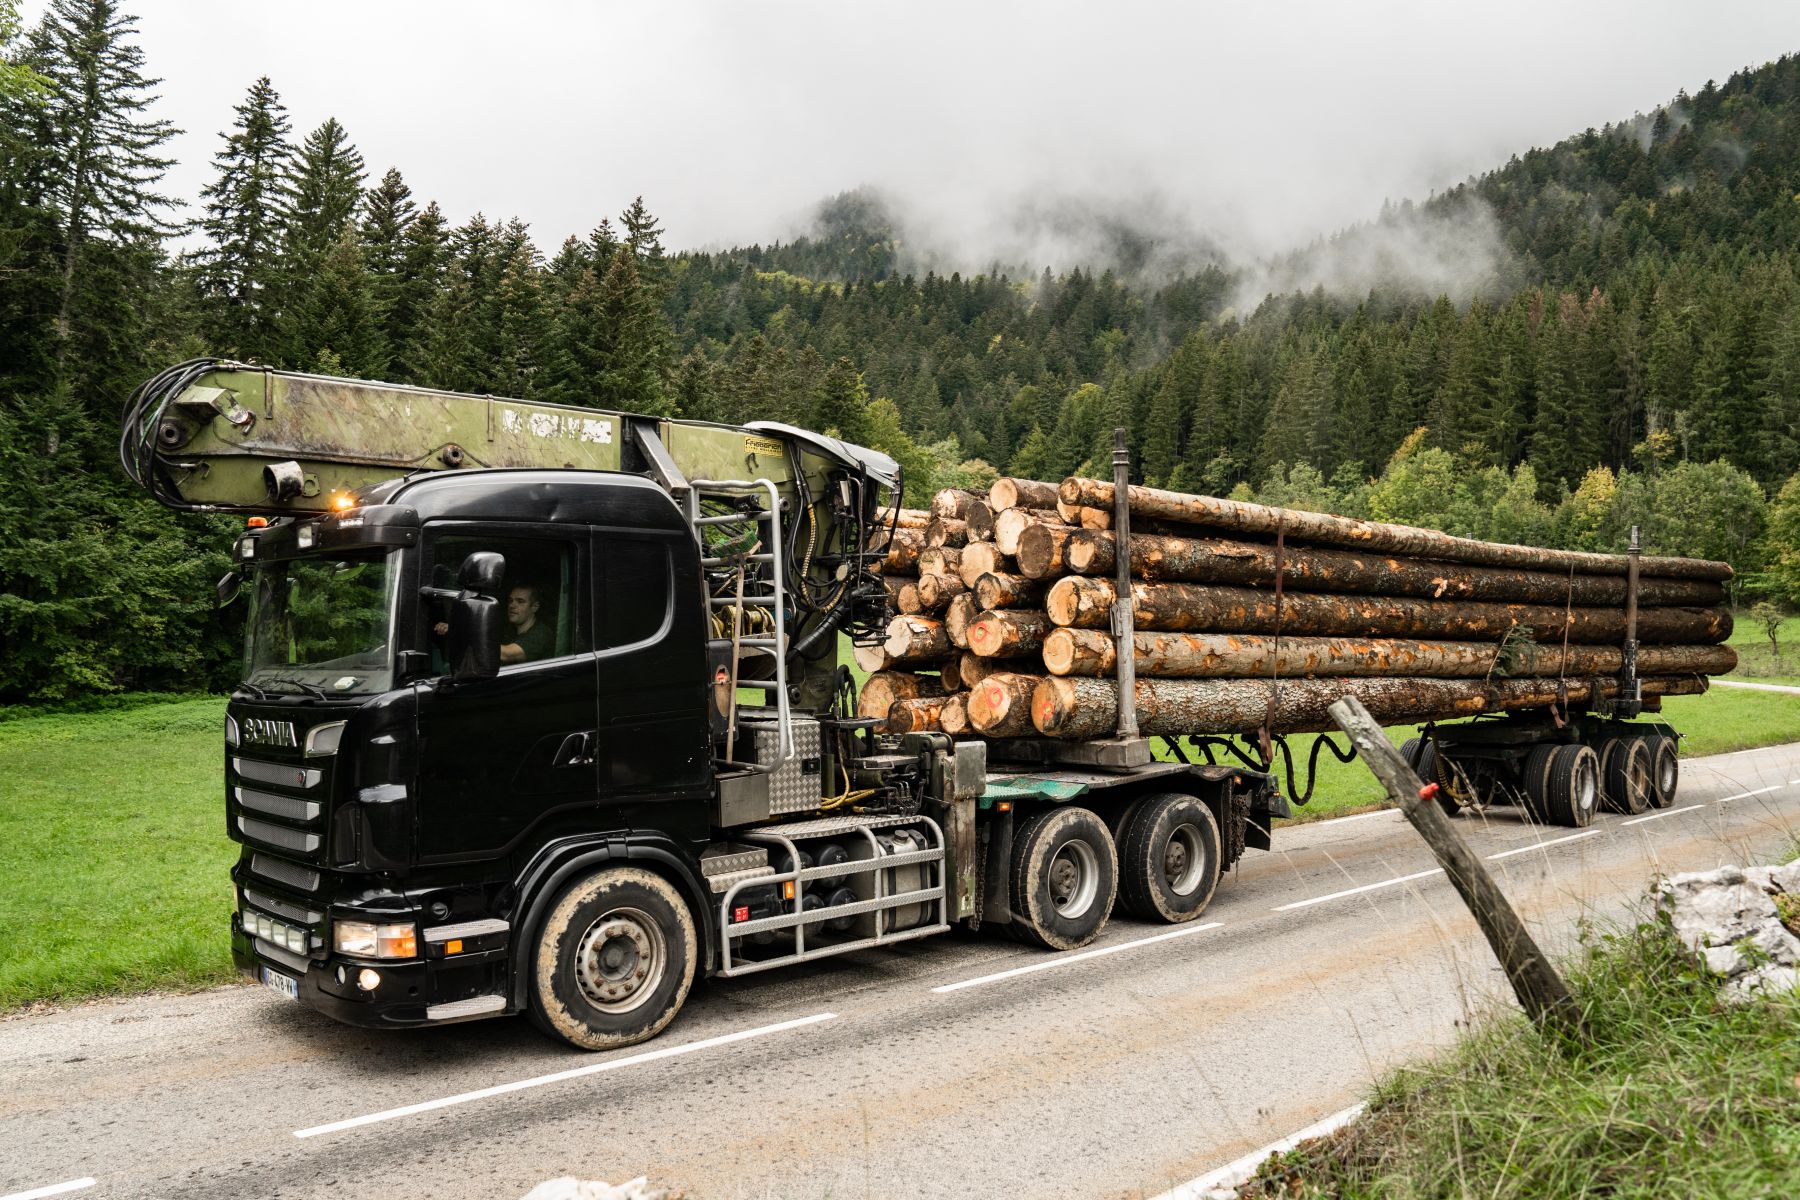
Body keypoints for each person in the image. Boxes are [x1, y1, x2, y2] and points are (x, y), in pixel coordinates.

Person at [500, 582, 554, 664]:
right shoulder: (509, 630)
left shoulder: (542, 634)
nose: (512, 605)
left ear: (535, 607)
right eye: (510, 601)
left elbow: (506, 655)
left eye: (520, 601)